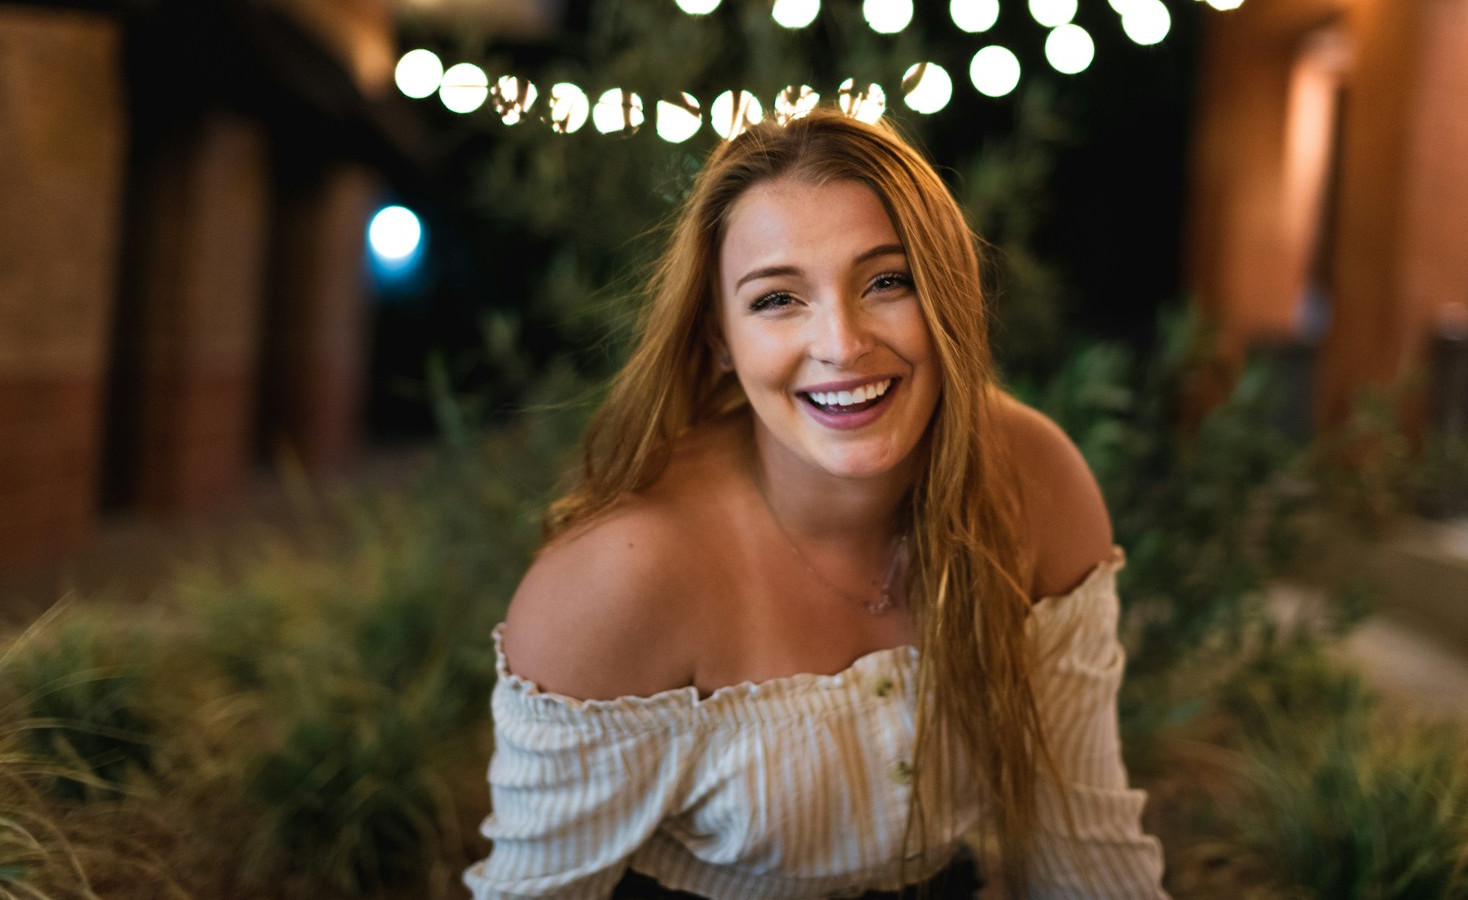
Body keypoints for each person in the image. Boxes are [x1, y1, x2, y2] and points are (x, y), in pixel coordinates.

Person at [463, 108, 1168, 899]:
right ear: (718, 340)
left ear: (951, 297)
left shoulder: (1033, 481)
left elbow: (1084, 852)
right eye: (776, 299)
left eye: (886, 281)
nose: (841, 341)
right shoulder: (619, 579)